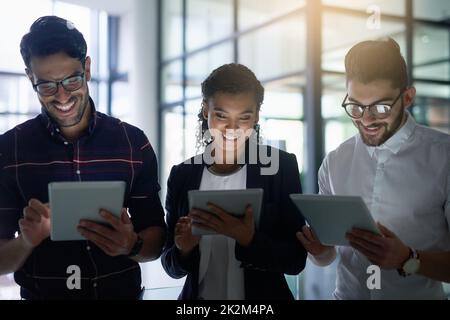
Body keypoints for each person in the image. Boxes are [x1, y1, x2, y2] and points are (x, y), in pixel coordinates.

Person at [0, 16, 166, 300]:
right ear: (30, 78)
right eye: (47, 85)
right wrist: (27, 241)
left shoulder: (132, 143)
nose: (62, 96)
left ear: (87, 68)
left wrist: (132, 244)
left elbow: (158, 238)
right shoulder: (9, 149)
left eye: (71, 80)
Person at [297, 38, 450, 299]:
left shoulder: (443, 157)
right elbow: (328, 256)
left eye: (380, 107)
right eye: (355, 106)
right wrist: (320, 252)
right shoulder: (335, 161)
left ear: (408, 97)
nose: (366, 120)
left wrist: (408, 259)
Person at [161, 63, 307, 300]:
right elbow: (170, 266)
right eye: (221, 116)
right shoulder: (182, 175)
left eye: (244, 118)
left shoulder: (281, 168)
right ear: (205, 110)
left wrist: (250, 240)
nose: (232, 128)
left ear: (257, 115)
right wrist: (182, 248)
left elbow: (295, 260)